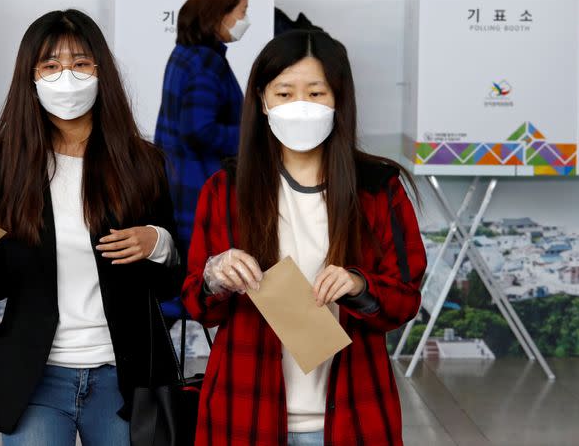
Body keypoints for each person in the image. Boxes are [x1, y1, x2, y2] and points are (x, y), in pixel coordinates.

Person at [0, 9, 182, 445]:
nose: (66, 76)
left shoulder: (142, 163)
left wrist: (157, 242)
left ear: (100, 71)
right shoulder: (6, 167)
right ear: (30, 78)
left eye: (80, 63)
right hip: (36, 377)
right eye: (50, 65)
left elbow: (170, 282)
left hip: (124, 376)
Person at [182, 30, 427, 446]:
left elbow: (406, 299)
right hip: (244, 415)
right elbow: (196, 304)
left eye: (316, 93)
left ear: (338, 100)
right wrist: (215, 276)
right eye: (284, 93)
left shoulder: (377, 188)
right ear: (261, 100)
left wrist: (359, 285)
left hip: (352, 414)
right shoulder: (227, 190)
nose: (300, 106)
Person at [154, 0, 250, 258]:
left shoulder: (185, 52)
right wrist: (253, 134)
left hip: (178, 181)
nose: (245, 20)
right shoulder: (207, 62)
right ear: (220, 13)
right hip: (199, 187)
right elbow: (199, 130)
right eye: (242, 12)